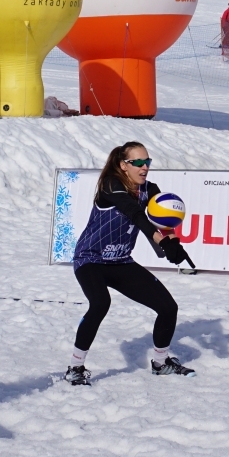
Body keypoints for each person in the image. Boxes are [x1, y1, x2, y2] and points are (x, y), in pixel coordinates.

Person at [65, 141, 195, 386]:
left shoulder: (150, 189)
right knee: (101, 303)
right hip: (90, 258)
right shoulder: (110, 185)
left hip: (121, 261)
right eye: (138, 162)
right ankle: (75, 367)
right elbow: (134, 214)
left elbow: (164, 216)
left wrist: (172, 241)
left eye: (147, 161)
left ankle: (160, 363)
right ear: (124, 166)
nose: (144, 167)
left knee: (168, 308)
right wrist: (161, 241)